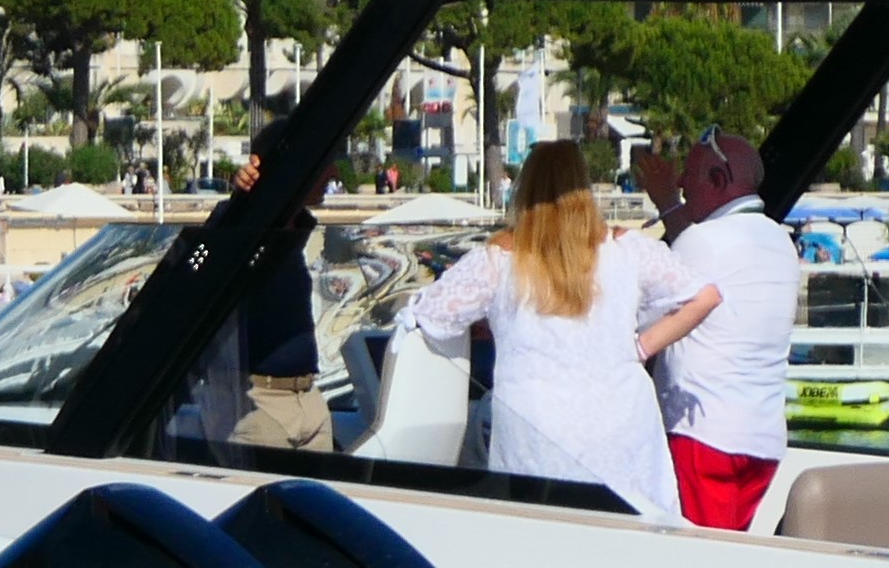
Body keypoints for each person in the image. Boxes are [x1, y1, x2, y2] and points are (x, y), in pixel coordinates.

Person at [407, 139, 720, 523]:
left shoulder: (500, 258)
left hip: (537, 427)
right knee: (628, 534)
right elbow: (704, 296)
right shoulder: (627, 249)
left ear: (526, 189)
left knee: (541, 536)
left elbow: (434, 317)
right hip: (619, 422)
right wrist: (641, 347)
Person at [655, 130, 799, 530]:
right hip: (761, 440)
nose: (682, 184)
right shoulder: (780, 242)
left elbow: (639, 316)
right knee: (729, 552)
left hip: (706, 435)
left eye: (689, 175)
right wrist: (668, 202)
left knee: (703, 566)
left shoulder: (705, 241)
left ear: (718, 180)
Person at [223, 138, 333, 450]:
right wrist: (243, 198)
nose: (333, 172)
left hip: (310, 400)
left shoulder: (292, 236)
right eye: (323, 162)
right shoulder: (243, 230)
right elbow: (218, 246)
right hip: (262, 406)